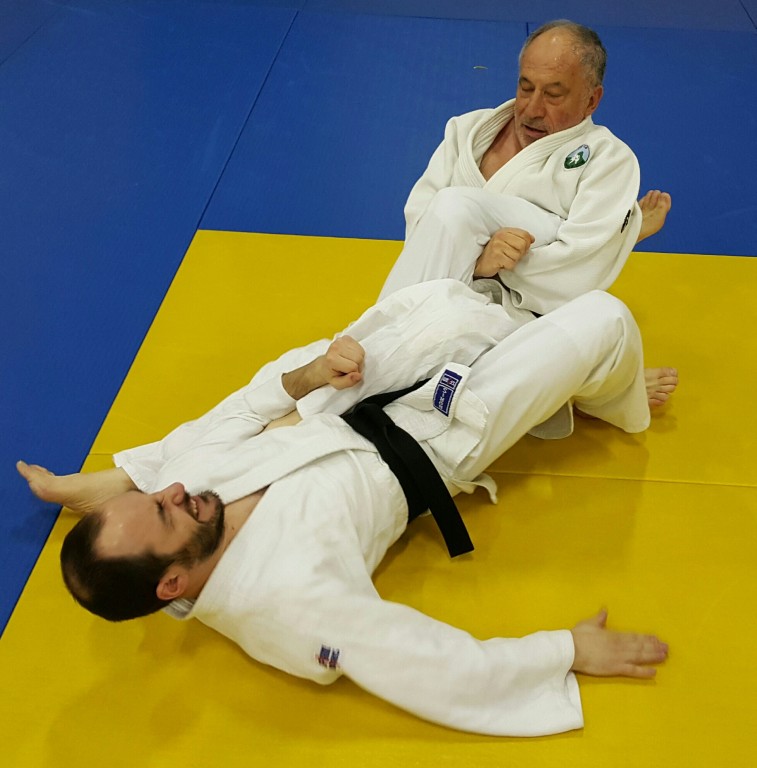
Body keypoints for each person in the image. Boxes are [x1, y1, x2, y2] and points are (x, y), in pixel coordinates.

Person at [18, 279, 676, 738]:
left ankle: (562, 380)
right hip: (432, 444)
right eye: (165, 514)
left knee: (449, 292)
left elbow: (238, 412)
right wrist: (565, 651)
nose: (173, 493)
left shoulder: (188, 497)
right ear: (172, 583)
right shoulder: (285, 605)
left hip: (339, 399)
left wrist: (311, 375)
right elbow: (423, 662)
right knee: (604, 319)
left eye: (151, 496)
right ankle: (608, 398)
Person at [379, 20, 673, 316]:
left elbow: (577, 271)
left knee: (611, 317)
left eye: (553, 95)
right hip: (450, 296)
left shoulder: (608, 160)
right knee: (450, 207)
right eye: (526, 87)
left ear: (591, 100)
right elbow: (422, 230)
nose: (532, 109)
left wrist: (480, 260)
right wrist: (479, 264)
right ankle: (617, 235)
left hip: (521, 313)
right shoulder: (466, 131)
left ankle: (613, 237)